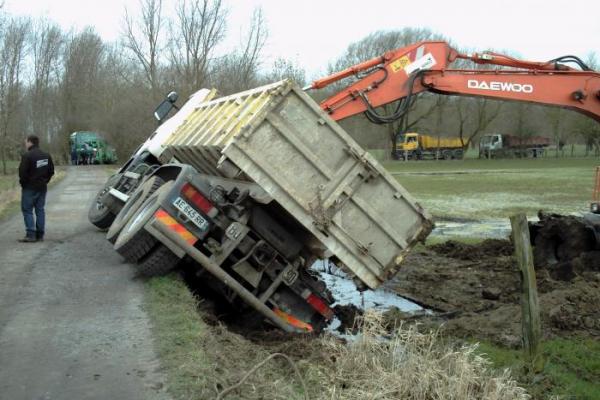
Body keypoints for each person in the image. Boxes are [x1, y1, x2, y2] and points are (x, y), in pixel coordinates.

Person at [18, 135, 54, 242]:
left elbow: (22, 173)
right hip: (42, 187)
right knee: (40, 210)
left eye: (26, 142)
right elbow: (51, 171)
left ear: (30, 142)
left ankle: (30, 234)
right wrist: (45, 181)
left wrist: (24, 184)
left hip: (29, 187)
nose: (25, 144)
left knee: (27, 210)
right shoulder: (46, 155)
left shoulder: (27, 156)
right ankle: (40, 235)